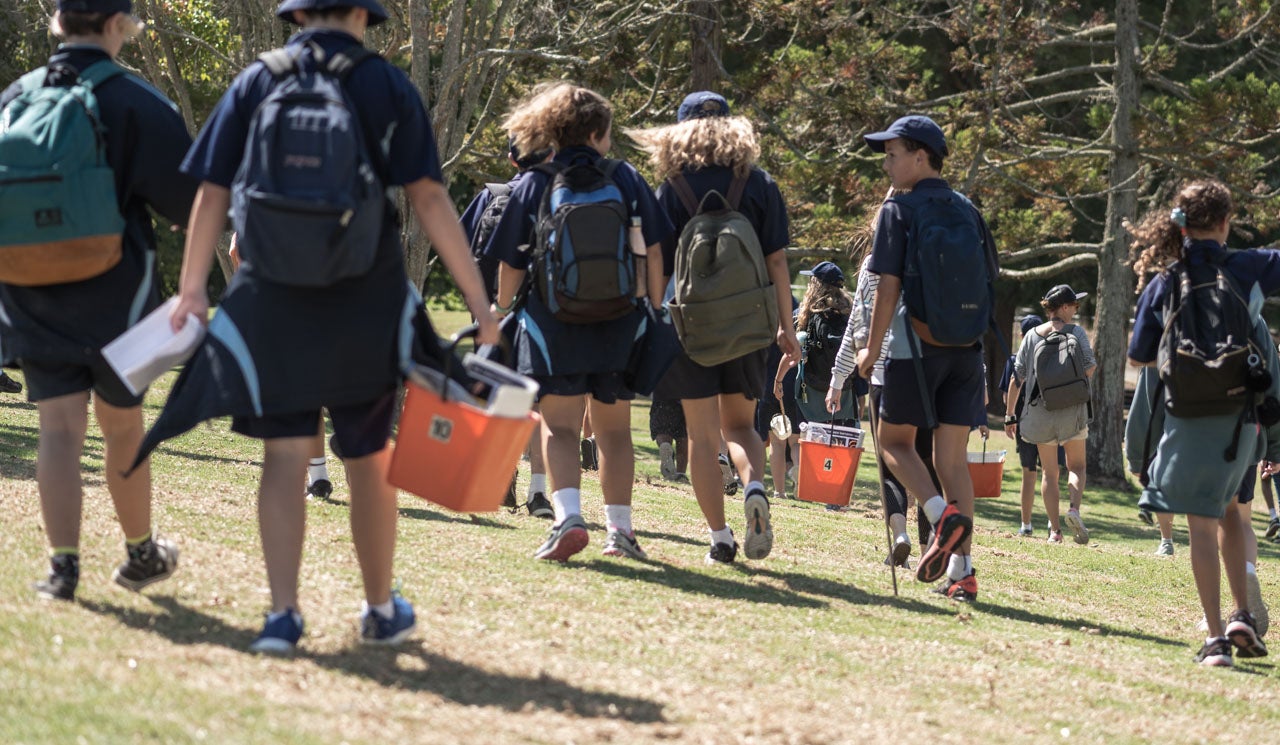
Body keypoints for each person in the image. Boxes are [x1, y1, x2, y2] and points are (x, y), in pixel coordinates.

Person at [160, 0, 498, 652]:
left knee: (285, 454)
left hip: (276, 298)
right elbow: (429, 197)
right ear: (362, 15)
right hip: (363, 303)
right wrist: (479, 307)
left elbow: (212, 191)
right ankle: (379, 609)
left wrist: (193, 287)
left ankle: (282, 617)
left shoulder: (259, 80)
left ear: (299, 13)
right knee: (369, 459)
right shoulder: (386, 84)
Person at [0, 1, 195, 602]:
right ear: (119, 25)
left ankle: (62, 569)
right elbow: (190, 201)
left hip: (28, 284)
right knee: (122, 426)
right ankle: (141, 553)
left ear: (57, 22)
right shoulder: (135, 101)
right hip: (116, 291)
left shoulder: (15, 98)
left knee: (58, 429)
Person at [484, 82, 672, 561]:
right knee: (613, 432)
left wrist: (502, 310)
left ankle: (568, 516)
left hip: (553, 324)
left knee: (560, 427)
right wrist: (651, 304)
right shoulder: (625, 177)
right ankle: (621, 532)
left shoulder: (535, 180)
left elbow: (510, 260)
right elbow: (655, 247)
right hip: (619, 321)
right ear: (596, 134)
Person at [631, 91, 798, 564]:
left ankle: (721, 539)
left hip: (690, 327)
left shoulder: (671, 188)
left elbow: (657, 263)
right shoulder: (759, 185)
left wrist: (653, 317)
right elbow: (778, 262)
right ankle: (755, 487)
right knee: (742, 427)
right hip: (749, 326)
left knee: (702, 437)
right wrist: (786, 328)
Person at [839, 115, 996, 601]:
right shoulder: (968, 208)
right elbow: (990, 274)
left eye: (892, 154)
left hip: (914, 345)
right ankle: (963, 573)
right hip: (966, 348)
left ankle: (939, 516)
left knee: (895, 444)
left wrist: (870, 347)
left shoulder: (898, 210)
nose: (886, 164)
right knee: (952, 462)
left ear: (920, 157)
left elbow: (887, 285)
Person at [1126, 178, 1275, 666]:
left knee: (1200, 524)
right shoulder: (1248, 267)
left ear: (1180, 224)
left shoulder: (1164, 280)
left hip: (1187, 417)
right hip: (1241, 420)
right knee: (1234, 513)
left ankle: (1215, 638)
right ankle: (1241, 616)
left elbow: (1140, 354)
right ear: (1227, 222)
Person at [459, 138, 554, 518]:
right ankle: (539, 492)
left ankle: (499, 477)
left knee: (500, 396)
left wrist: (482, 307)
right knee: (541, 404)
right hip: (547, 315)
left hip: (494, 313)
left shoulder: (491, 195)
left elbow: (465, 251)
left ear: (512, 158)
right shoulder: (559, 193)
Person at [1003, 285, 1096, 545]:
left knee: (1049, 473)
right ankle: (1074, 510)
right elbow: (1090, 368)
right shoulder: (1076, 332)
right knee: (1077, 466)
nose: (1076, 311)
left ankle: (1055, 531)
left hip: (1040, 411)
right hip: (1072, 411)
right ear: (1064, 308)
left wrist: (1010, 414)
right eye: (1074, 306)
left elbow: (1016, 378)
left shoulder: (1032, 335)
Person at [999, 314, 1064, 537]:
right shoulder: (1054, 358)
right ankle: (1052, 524)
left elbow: (1007, 394)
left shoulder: (1014, 360)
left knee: (1029, 473)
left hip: (1025, 422)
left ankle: (1026, 525)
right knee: (1051, 472)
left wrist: (1010, 415)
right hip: (1052, 421)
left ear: (1022, 335)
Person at [649, 398, 689, 482]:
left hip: (663, 395)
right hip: (686, 397)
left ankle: (665, 445)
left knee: (662, 430)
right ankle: (680, 474)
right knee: (683, 435)